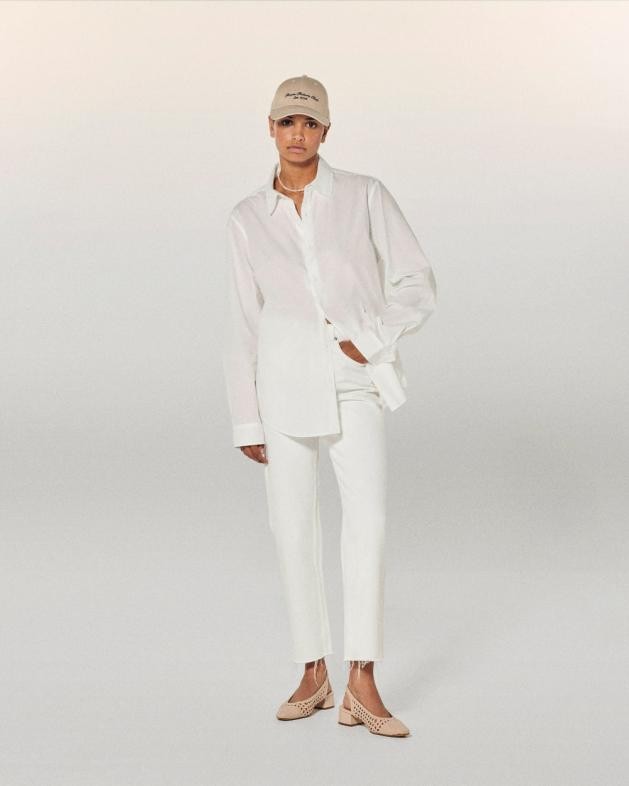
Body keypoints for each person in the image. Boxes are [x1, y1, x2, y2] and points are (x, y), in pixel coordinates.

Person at [222, 74, 437, 737]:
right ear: (270, 127)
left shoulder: (364, 195)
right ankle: (312, 671)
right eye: (287, 122)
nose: (298, 133)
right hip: (282, 384)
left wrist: (366, 341)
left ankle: (361, 679)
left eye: (309, 123)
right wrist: (246, 415)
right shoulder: (247, 217)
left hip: (352, 380)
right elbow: (242, 322)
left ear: (325, 131)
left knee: (366, 521)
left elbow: (416, 280)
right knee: (291, 526)